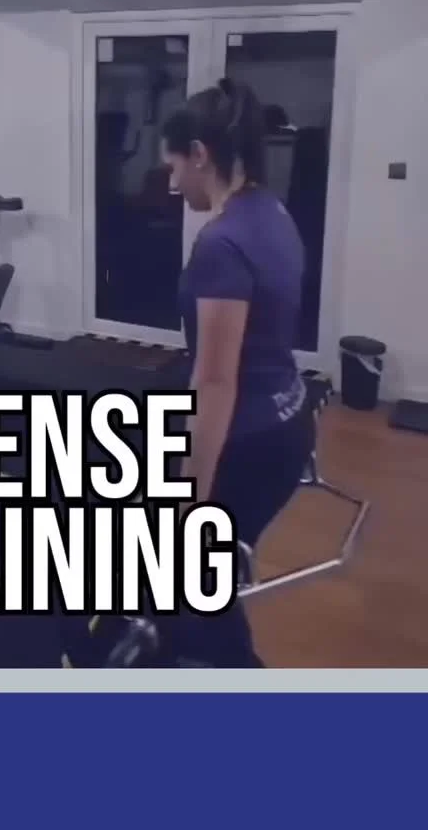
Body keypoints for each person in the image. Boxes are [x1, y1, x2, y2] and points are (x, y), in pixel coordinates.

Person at [159, 77, 314, 667]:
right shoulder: (272, 211)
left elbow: (217, 381)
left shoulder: (220, 245)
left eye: (175, 166)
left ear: (200, 154)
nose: (172, 183)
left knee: (193, 593)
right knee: (206, 583)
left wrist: (191, 498)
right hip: (290, 419)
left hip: (250, 441)